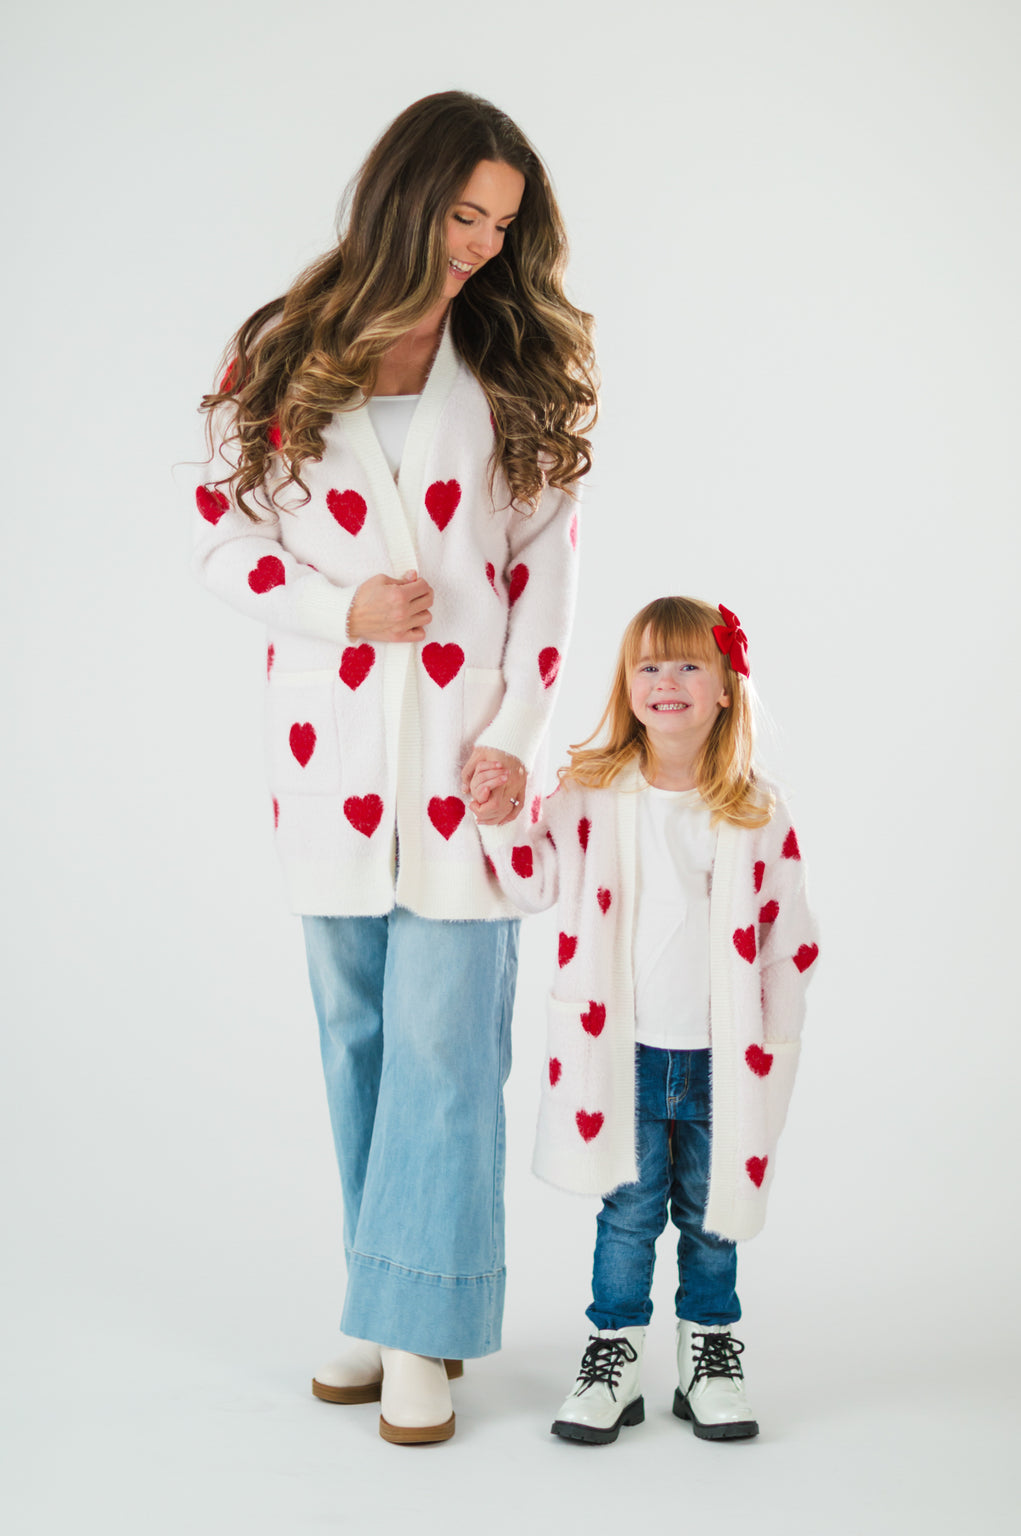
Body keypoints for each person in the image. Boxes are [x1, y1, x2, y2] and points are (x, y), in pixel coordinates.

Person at [191, 91, 596, 1445]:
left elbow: (548, 573)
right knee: (357, 1031)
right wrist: (338, 612)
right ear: (407, 196)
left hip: (465, 766)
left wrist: (515, 745)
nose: (483, 244)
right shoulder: (284, 351)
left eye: (503, 223)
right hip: (334, 755)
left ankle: (419, 1328)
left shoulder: (512, 369)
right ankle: (383, 1297)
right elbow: (223, 542)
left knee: (443, 1041)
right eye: (467, 212)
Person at [469, 595, 818, 1444]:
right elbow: (536, 878)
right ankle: (613, 1354)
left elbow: (789, 943)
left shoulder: (756, 812)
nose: (667, 682)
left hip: (719, 1062)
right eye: (648, 665)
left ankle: (709, 1354)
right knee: (627, 1216)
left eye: (689, 664)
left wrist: (771, 1048)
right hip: (619, 1054)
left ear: (727, 687)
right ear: (627, 686)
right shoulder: (591, 794)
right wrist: (499, 817)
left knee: (710, 1215)